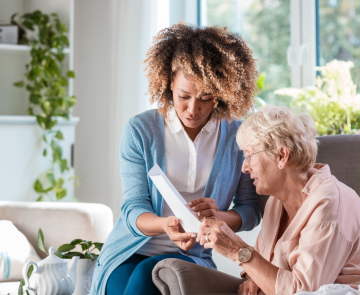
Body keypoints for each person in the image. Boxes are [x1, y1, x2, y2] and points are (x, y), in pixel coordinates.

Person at [89, 23, 262, 295]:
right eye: (184, 96)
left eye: (205, 98)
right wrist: (165, 226)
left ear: (221, 92)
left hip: (191, 255)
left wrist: (217, 216)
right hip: (130, 250)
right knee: (127, 284)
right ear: (170, 83)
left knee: (150, 276)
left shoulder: (237, 136)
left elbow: (250, 211)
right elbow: (133, 208)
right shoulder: (140, 130)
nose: (193, 109)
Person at [198, 106, 360, 295]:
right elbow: (262, 266)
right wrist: (253, 280)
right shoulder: (275, 202)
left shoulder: (330, 204)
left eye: (249, 156)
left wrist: (236, 250)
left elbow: (303, 292)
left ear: (281, 156)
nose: (245, 168)